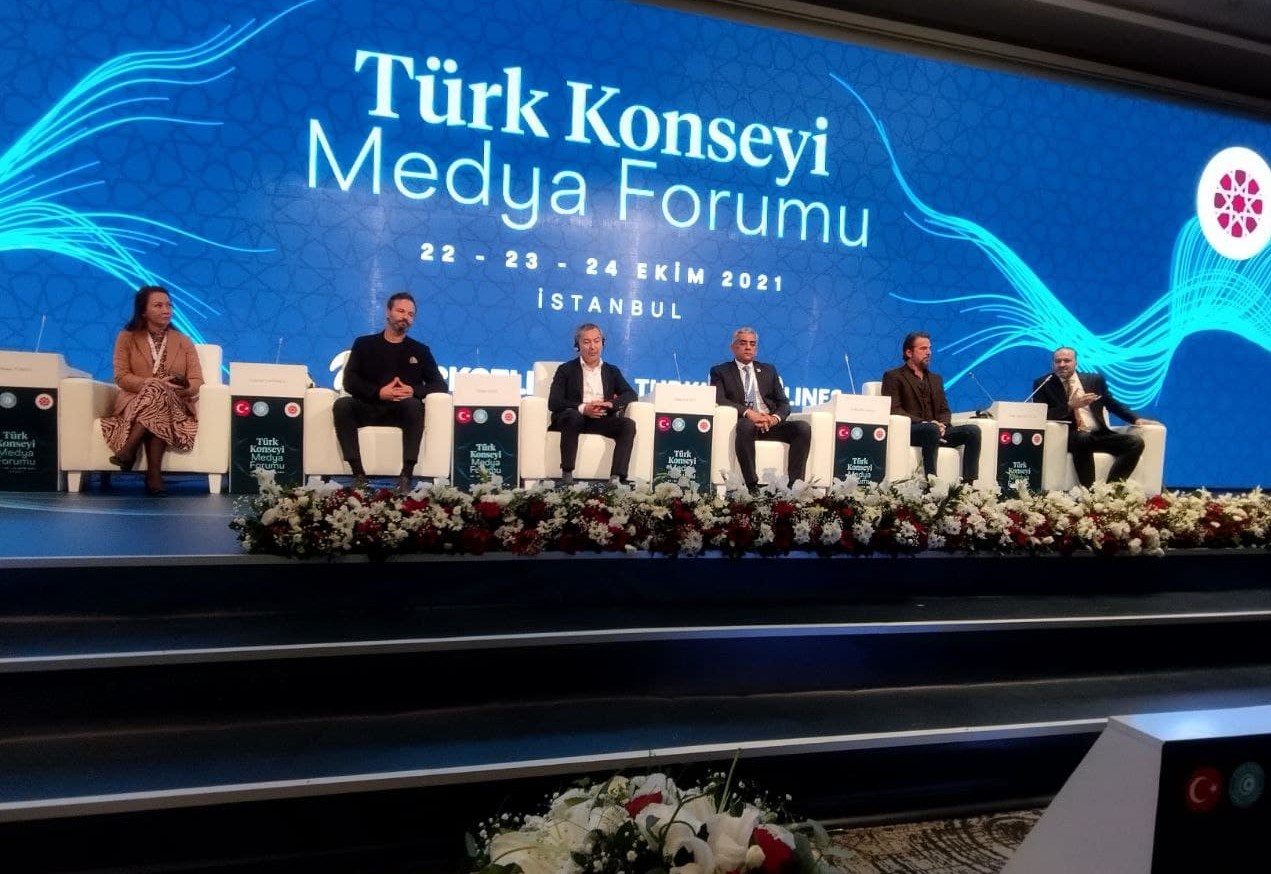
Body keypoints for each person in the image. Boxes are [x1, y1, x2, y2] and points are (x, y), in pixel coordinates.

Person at [335, 291, 447, 492]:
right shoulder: (363, 344)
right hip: (368, 407)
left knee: (413, 405)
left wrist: (413, 390)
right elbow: (350, 381)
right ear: (388, 312)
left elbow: (439, 385)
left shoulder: (420, 350)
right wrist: (379, 392)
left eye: (410, 314)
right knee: (342, 405)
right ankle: (358, 474)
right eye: (401, 311)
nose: (405, 317)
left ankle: (406, 476)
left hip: (401, 412)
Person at [100, 285, 204, 496]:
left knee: (160, 393)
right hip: (135, 400)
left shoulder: (183, 341)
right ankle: (154, 475)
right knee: (156, 388)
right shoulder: (127, 337)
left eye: (169, 305)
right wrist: (152, 383)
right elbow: (121, 376)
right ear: (143, 311)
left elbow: (197, 380)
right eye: (158, 305)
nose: (166, 310)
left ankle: (128, 451)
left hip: (176, 402)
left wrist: (183, 387)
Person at [1032, 346, 1160, 488]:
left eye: (1067, 361)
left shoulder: (1094, 380)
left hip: (1098, 435)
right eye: (1058, 361)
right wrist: (1070, 406)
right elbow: (1042, 415)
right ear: (1053, 364)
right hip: (1069, 437)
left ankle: (1110, 490)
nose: (1062, 364)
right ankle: (1090, 492)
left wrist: (1135, 419)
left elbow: (1111, 403)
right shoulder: (1043, 384)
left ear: (1075, 363)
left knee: (1135, 442)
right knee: (1082, 438)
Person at [709, 327, 811, 492]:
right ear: (733, 347)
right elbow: (719, 399)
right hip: (745, 425)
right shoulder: (720, 371)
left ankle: (795, 487)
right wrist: (749, 413)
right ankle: (752, 486)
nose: (748, 347)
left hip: (770, 424)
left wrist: (774, 419)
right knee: (746, 425)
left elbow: (784, 403)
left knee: (802, 428)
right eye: (743, 343)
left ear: (756, 348)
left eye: (752, 344)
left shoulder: (768, 370)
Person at [881, 331, 982, 483]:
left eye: (929, 348)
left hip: (937, 431)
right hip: (911, 431)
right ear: (909, 352)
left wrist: (943, 425)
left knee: (973, 431)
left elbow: (944, 410)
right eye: (923, 348)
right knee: (930, 429)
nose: (929, 352)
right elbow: (894, 409)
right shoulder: (893, 376)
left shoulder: (936, 379)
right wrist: (925, 423)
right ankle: (932, 483)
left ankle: (968, 485)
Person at [548, 323, 638, 486]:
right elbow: (554, 402)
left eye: (597, 341)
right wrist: (583, 408)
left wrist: (610, 404)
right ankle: (567, 474)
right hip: (572, 419)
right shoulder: (565, 370)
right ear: (577, 345)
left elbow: (630, 394)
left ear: (603, 343)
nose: (592, 347)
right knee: (573, 416)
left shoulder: (611, 371)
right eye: (587, 342)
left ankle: (616, 479)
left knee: (628, 425)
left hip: (600, 419)